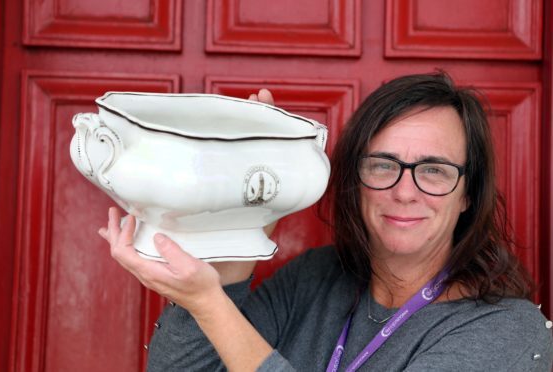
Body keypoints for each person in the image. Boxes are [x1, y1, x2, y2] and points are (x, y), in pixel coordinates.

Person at [98, 72, 553, 371]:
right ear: (354, 177)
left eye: (434, 169)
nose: (405, 190)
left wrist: (209, 303)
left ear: (467, 193)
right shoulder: (314, 279)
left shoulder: (505, 331)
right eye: (382, 164)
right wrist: (243, 220)